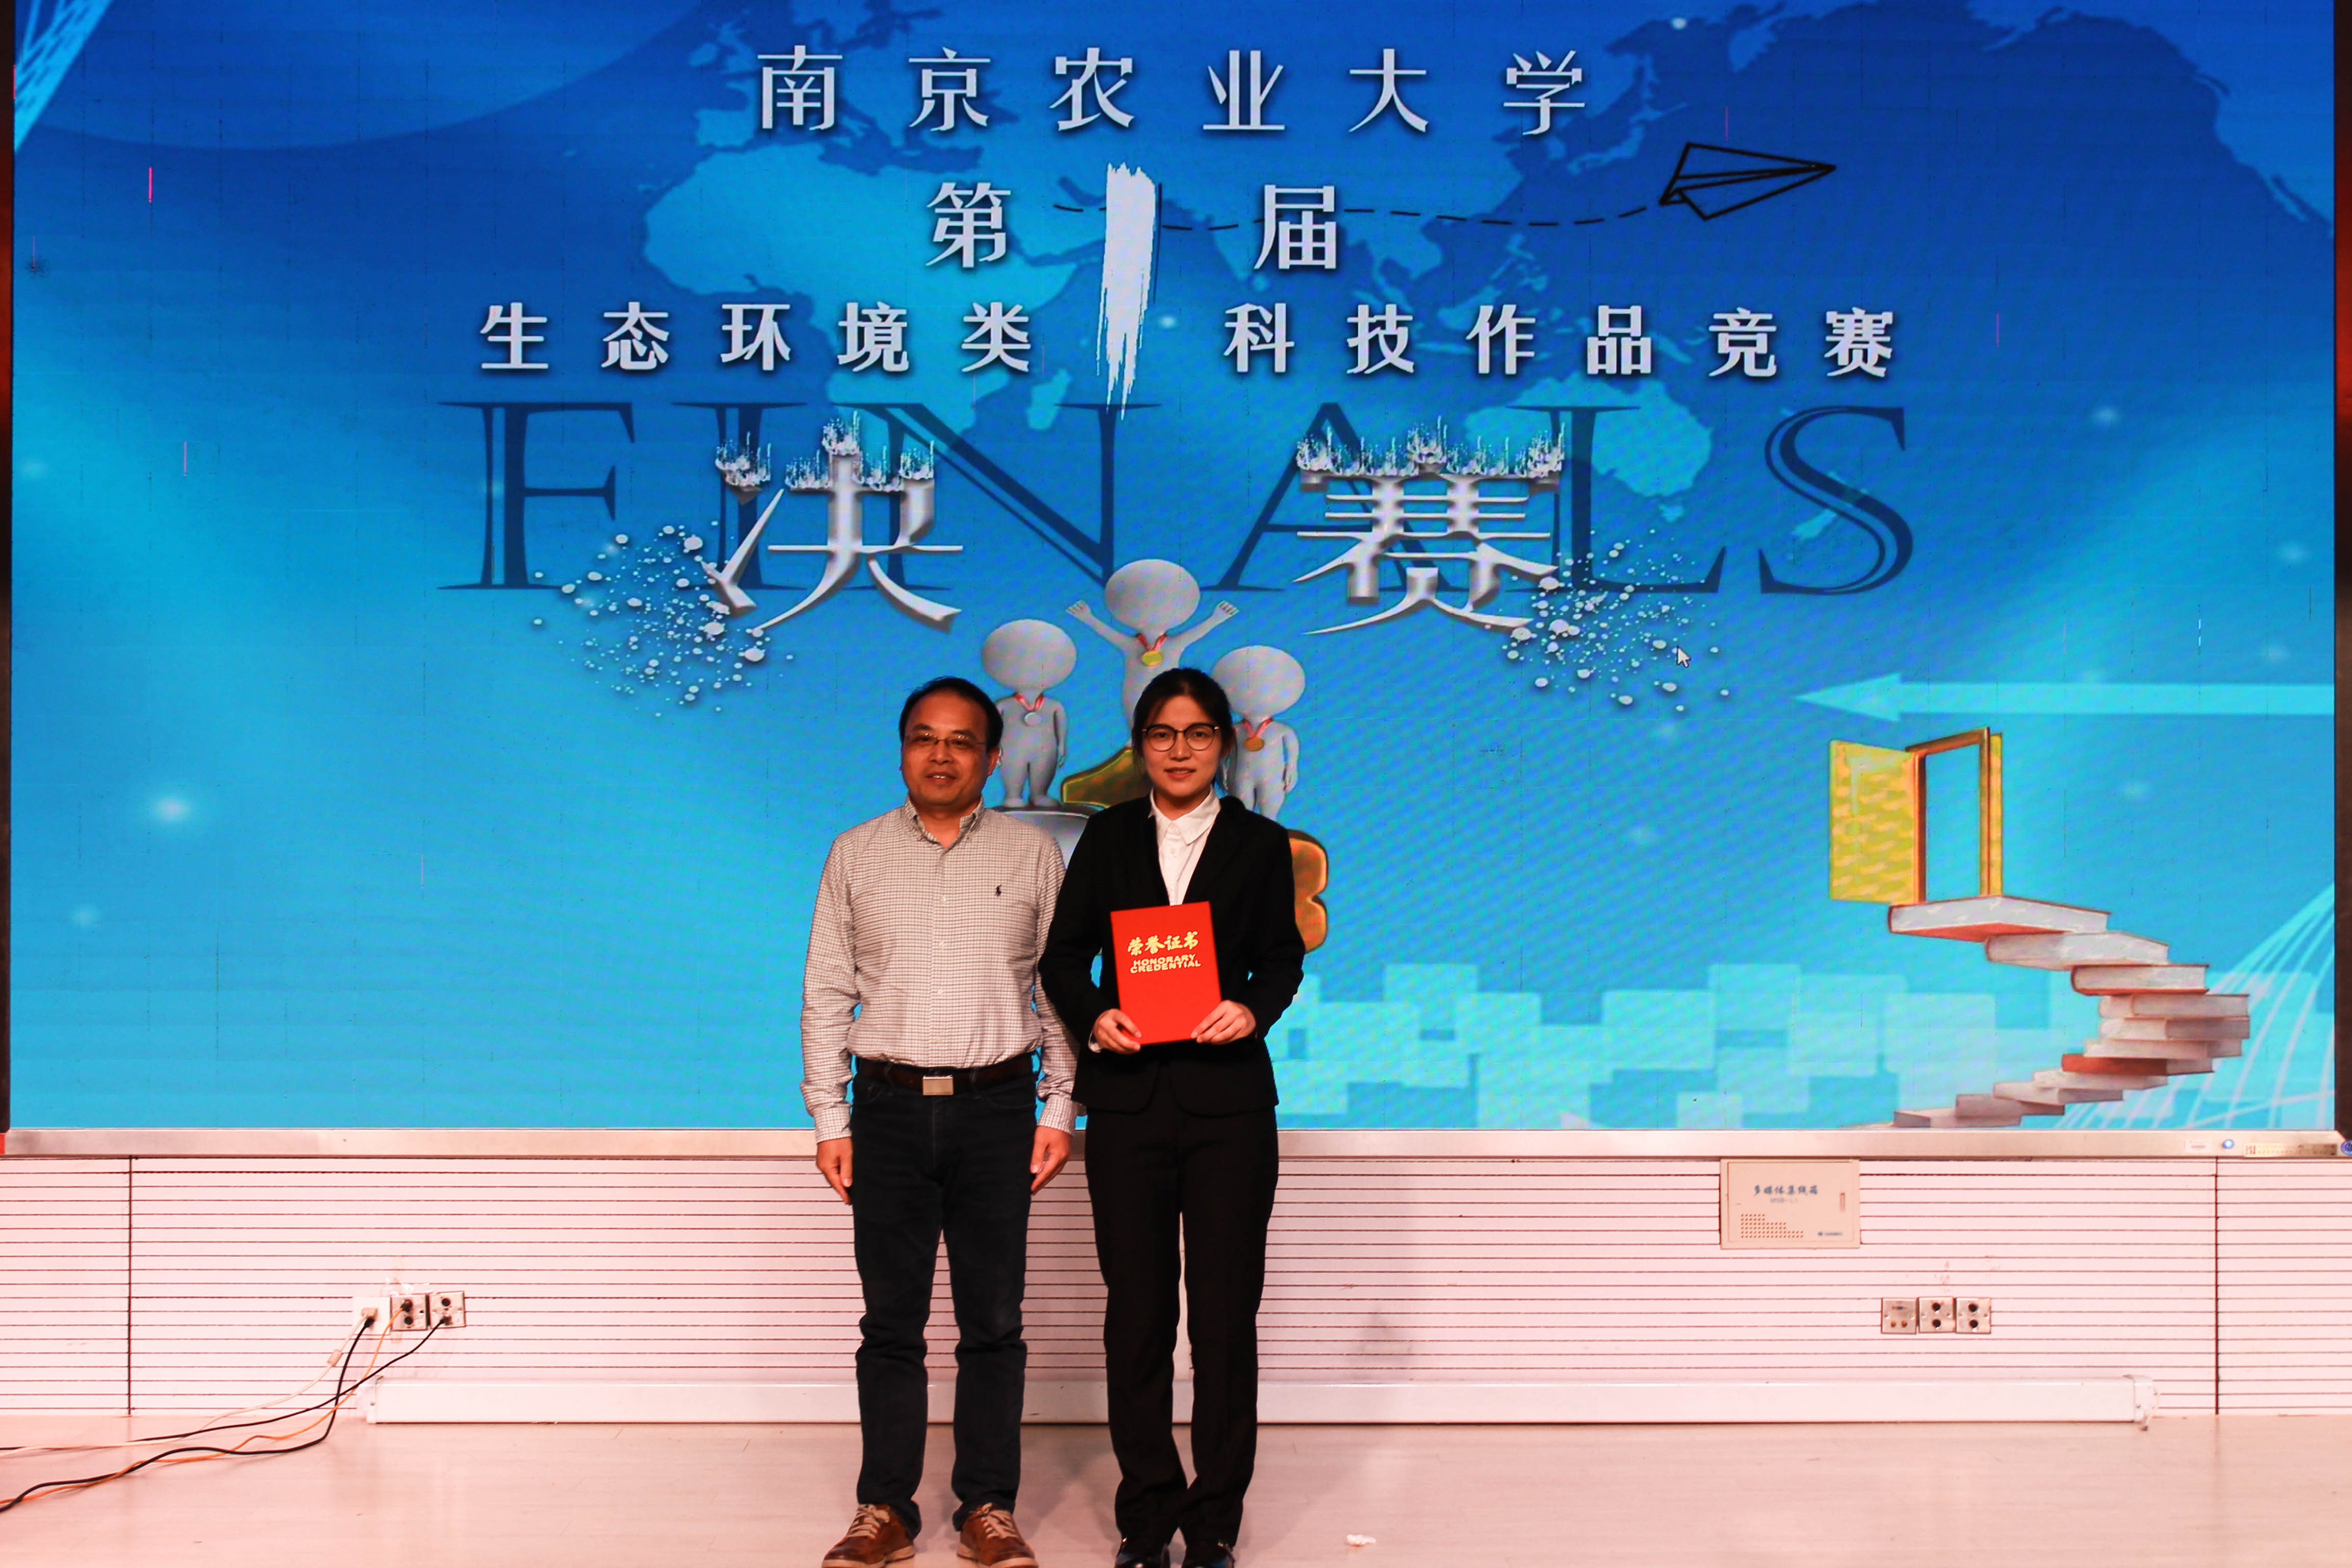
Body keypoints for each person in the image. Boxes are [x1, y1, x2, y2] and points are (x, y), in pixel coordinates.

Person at [802, 676, 1077, 1568]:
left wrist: (1060, 1105)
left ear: (993, 759)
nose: (942, 754)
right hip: (884, 1110)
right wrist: (831, 1116)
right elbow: (826, 991)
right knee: (891, 1323)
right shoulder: (855, 853)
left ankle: (987, 1509)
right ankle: (884, 1508)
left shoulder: (1034, 856)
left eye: (962, 741)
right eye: (924, 737)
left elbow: (1058, 991)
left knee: (993, 1321)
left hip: (999, 1111)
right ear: (902, 752)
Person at [1041, 667, 1307, 1568]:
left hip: (1230, 1107)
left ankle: (1215, 1521)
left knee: (1225, 1319)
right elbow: (1064, 958)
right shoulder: (1108, 836)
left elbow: (1281, 959)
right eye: (1163, 734)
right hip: (1128, 1105)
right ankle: (1147, 1517)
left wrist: (1252, 1009)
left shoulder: (1261, 844)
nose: (1180, 750)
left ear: (1224, 743)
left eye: (1198, 734)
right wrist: (1095, 1016)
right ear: (1141, 744)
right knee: (1139, 1316)